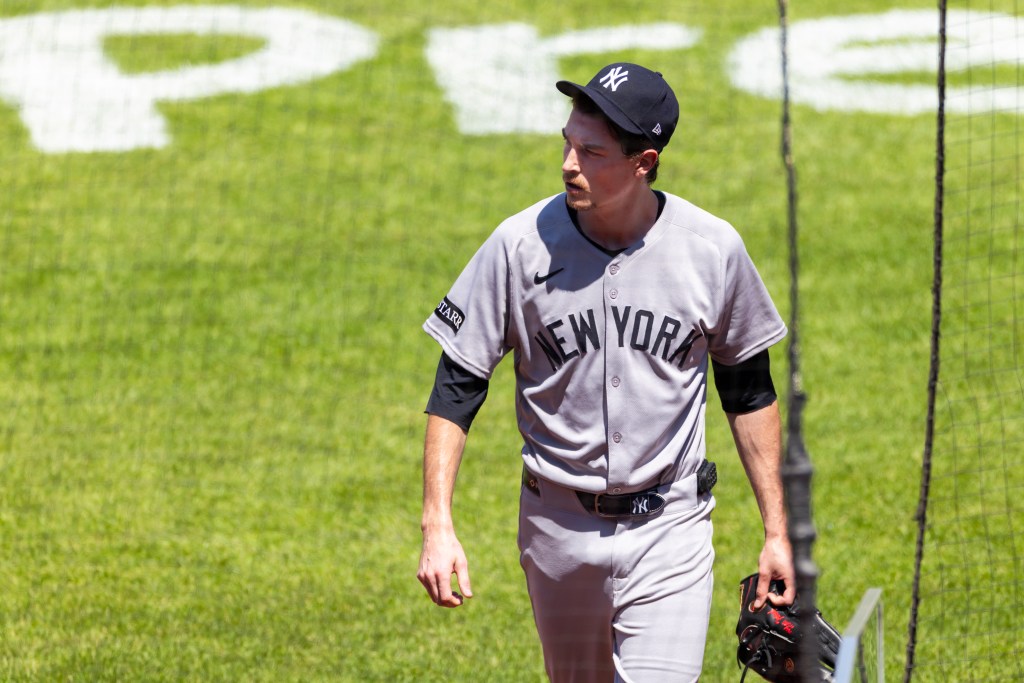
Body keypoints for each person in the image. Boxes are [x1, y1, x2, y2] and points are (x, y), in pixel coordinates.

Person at [417, 62, 795, 682]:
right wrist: (438, 523)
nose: (569, 163)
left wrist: (776, 531)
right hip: (557, 530)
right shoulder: (518, 246)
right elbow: (456, 386)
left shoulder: (712, 249)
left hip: (670, 526)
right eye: (567, 143)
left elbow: (748, 388)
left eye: (590, 152)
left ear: (643, 162)